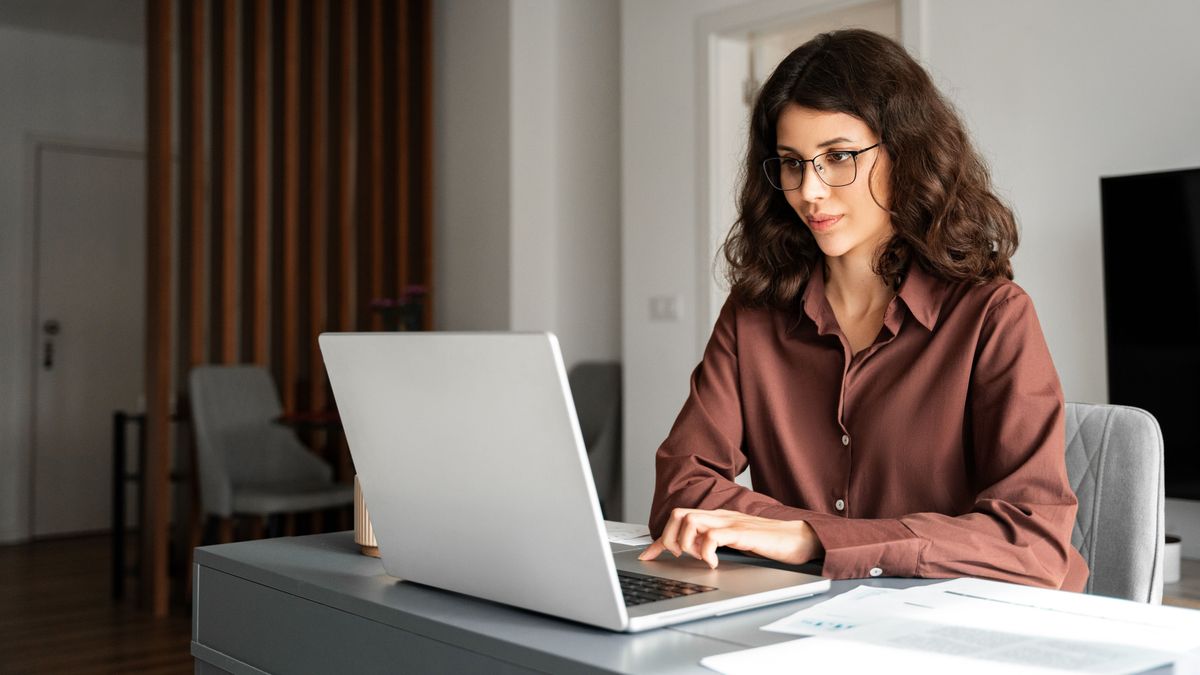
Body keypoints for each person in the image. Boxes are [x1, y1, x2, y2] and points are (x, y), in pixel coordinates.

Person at [638, 29, 1088, 591]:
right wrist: (819, 538)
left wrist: (812, 538)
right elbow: (683, 486)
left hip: (963, 628)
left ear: (905, 151)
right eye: (792, 163)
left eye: (839, 157)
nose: (810, 191)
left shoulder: (994, 316)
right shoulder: (753, 314)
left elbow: (1032, 542)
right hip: (805, 615)